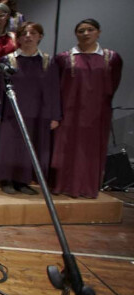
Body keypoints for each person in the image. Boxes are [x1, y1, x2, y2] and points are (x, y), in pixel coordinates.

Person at [50, 19, 122, 198]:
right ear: (76, 34)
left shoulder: (111, 58)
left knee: (90, 151)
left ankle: (87, 188)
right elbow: (55, 86)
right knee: (66, 148)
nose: (85, 34)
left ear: (98, 32)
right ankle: (62, 185)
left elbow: (113, 84)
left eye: (90, 30)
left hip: (97, 114)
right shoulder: (64, 58)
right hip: (68, 112)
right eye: (81, 30)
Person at [0, 22, 60, 194]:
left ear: (40, 36)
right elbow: (0, 88)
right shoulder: (8, 60)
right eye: (24, 33)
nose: (28, 37)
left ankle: (23, 181)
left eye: (33, 33)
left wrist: (54, 116)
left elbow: (53, 90)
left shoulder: (47, 61)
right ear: (18, 37)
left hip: (38, 113)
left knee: (30, 147)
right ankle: (7, 180)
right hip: (11, 113)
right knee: (9, 146)